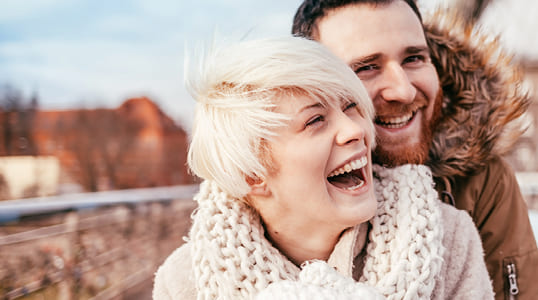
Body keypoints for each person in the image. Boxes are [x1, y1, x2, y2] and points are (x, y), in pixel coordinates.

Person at [152, 36, 493, 299]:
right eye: (315, 120)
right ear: (253, 174)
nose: (357, 130)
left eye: (351, 106)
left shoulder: (448, 240)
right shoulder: (184, 284)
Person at [291, 0, 538, 299]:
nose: (404, 90)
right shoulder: (268, 188)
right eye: (366, 67)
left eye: (414, 59)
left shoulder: (480, 180)